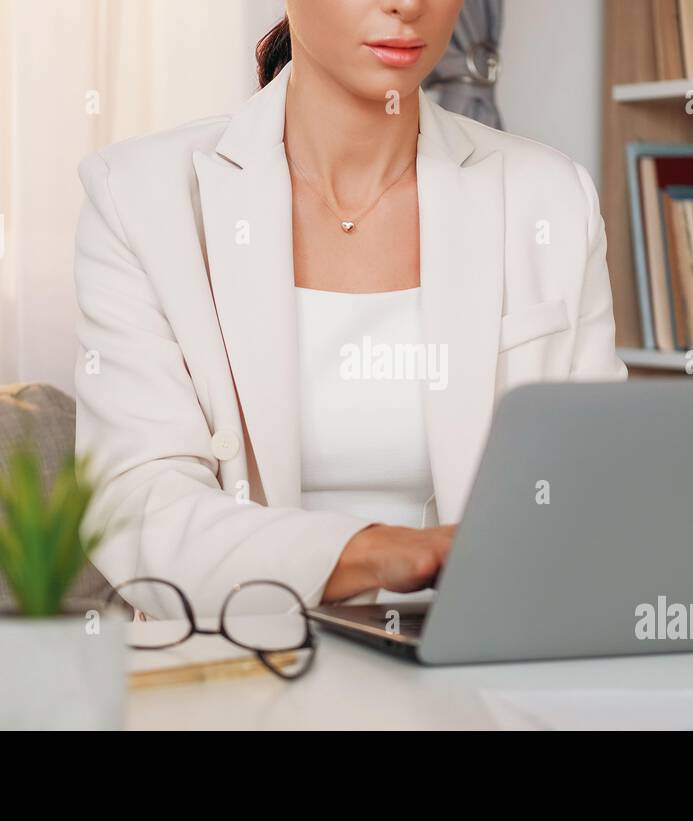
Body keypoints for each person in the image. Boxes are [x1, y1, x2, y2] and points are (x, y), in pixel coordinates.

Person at [73, 0, 627, 616]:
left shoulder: (551, 197)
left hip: (477, 649)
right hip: (239, 650)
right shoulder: (139, 195)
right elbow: (139, 506)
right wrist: (372, 553)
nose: (408, 5)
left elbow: (598, 486)